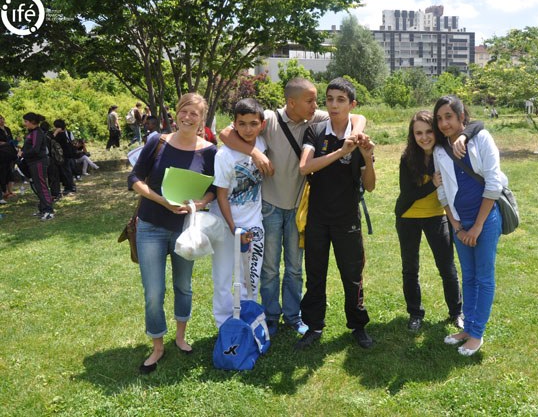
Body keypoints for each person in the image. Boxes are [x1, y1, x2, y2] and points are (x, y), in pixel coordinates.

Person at [219, 77, 367, 337]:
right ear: (292, 102)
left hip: (299, 209)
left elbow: (357, 116)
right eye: (310, 100)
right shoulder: (269, 119)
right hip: (270, 207)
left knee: (295, 268)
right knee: (269, 268)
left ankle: (293, 315)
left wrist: (356, 132)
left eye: (316, 100)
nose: (317, 105)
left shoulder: (315, 118)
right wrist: (255, 152)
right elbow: (224, 133)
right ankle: (271, 315)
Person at [128, 93, 217, 374]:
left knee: (183, 286)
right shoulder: (157, 141)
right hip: (151, 226)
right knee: (154, 292)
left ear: (202, 119)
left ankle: (180, 336)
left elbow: (214, 189)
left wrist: (200, 203)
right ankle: (157, 345)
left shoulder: (210, 151)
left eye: (194, 113)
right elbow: (134, 178)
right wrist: (162, 200)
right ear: (176, 113)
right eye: (184, 111)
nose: (188, 117)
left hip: (185, 230)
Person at [295, 78, 375, 350]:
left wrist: (366, 157)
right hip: (317, 216)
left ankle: (358, 326)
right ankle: (314, 326)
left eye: (341, 100)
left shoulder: (359, 136)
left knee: (352, 276)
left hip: (347, 217)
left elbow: (370, 186)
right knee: (315, 274)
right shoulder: (316, 131)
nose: (333, 105)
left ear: (352, 104)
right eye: (329, 99)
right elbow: (305, 167)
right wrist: (341, 151)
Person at [396, 111, 486, 332]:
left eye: (429, 131)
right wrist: (432, 184)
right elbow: (407, 193)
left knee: (447, 267)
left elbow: (478, 124)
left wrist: (463, 136)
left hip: (437, 216)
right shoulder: (408, 158)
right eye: (418, 133)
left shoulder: (444, 152)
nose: (424, 137)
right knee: (410, 268)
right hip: (408, 218)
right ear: (412, 135)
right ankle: (415, 313)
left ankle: (456, 312)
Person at [433, 95, 507, 357]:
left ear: (461, 116)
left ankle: (477, 334)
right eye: (439, 118)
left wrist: (476, 227)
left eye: (449, 117)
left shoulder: (481, 139)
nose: (444, 123)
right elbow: (442, 192)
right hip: (460, 223)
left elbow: (493, 185)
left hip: (485, 221)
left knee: (484, 277)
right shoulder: (439, 150)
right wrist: (456, 226)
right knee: (469, 276)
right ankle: (467, 328)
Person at [208, 98, 266, 327]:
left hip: (254, 223)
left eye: (253, 124)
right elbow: (221, 195)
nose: (248, 129)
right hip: (226, 225)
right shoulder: (224, 155)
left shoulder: (262, 143)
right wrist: (234, 229)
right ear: (234, 124)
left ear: (261, 124)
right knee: (223, 276)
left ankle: (249, 321)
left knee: (251, 276)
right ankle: (224, 324)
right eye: (242, 124)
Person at [19, 113, 54, 220]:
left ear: (32, 122)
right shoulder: (32, 132)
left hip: (38, 162)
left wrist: (23, 154)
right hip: (32, 162)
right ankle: (42, 209)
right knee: (37, 186)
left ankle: (49, 211)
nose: (24, 124)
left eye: (26, 121)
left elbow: (35, 149)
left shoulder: (37, 133)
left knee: (41, 186)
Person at [52, 119, 76, 194]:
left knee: (66, 172)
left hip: (63, 156)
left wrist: (56, 132)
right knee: (67, 171)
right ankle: (71, 186)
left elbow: (51, 140)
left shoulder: (59, 135)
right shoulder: (67, 133)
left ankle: (69, 187)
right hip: (67, 155)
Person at [0, 114, 17, 202]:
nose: (2, 120)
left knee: (10, 171)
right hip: (2, 153)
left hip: (10, 152)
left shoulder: (7, 129)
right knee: (3, 172)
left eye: (2, 118)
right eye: (0, 119)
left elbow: (11, 141)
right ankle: (4, 191)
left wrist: (15, 142)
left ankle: (10, 191)